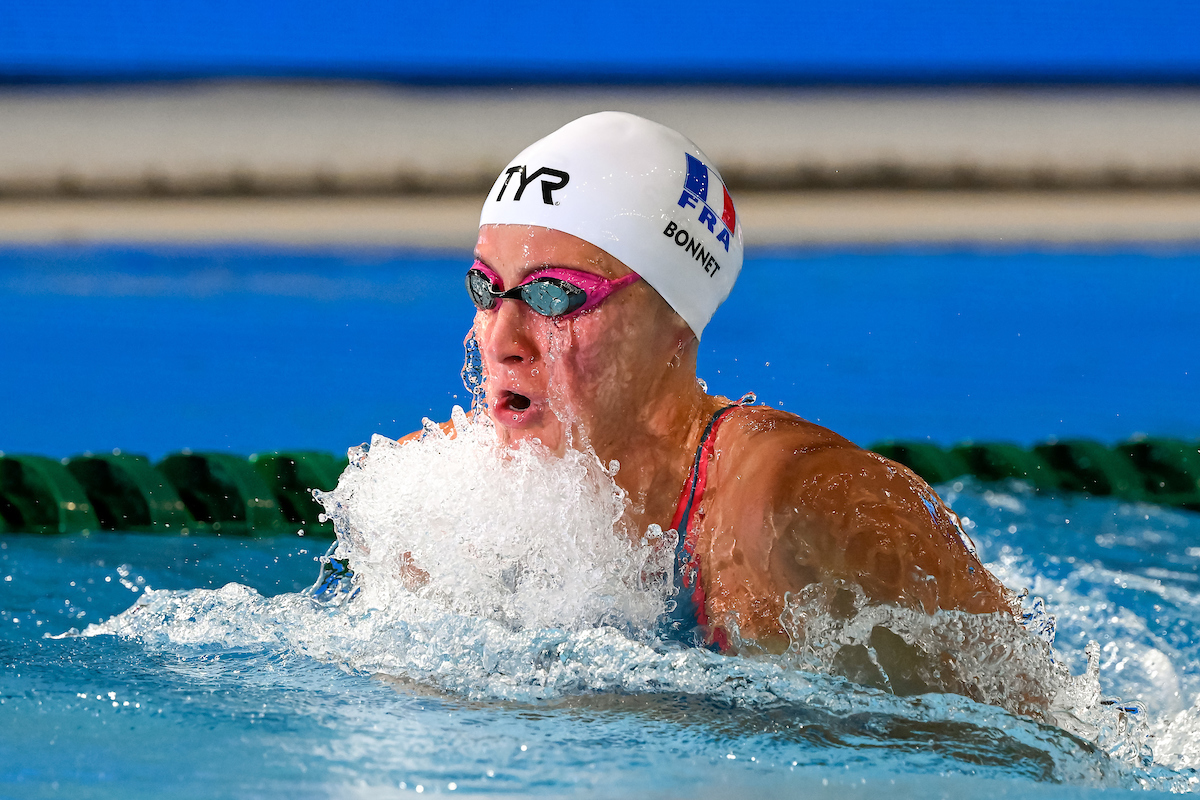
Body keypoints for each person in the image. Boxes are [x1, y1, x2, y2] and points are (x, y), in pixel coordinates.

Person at [429, 111, 1013, 655]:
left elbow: (1032, 735)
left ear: (675, 316)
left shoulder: (797, 508)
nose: (503, 341)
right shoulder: (432, 503)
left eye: (553, 295)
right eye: (486, 288)